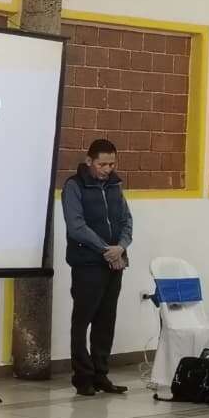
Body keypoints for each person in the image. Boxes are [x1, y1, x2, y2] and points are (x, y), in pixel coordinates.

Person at [62, 138, 133, 397]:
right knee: (83, 321)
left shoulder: (115, 185)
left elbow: (126, 220)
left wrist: (121, 247)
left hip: (115, 263)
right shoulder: (74, 186)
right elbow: (76, 226)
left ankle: (101, 374)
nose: (107, 169)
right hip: (88, 264)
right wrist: (106, 249)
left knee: (106, 320)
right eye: (102, 164)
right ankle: (83, 377)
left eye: (112, 164)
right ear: (89, 161)